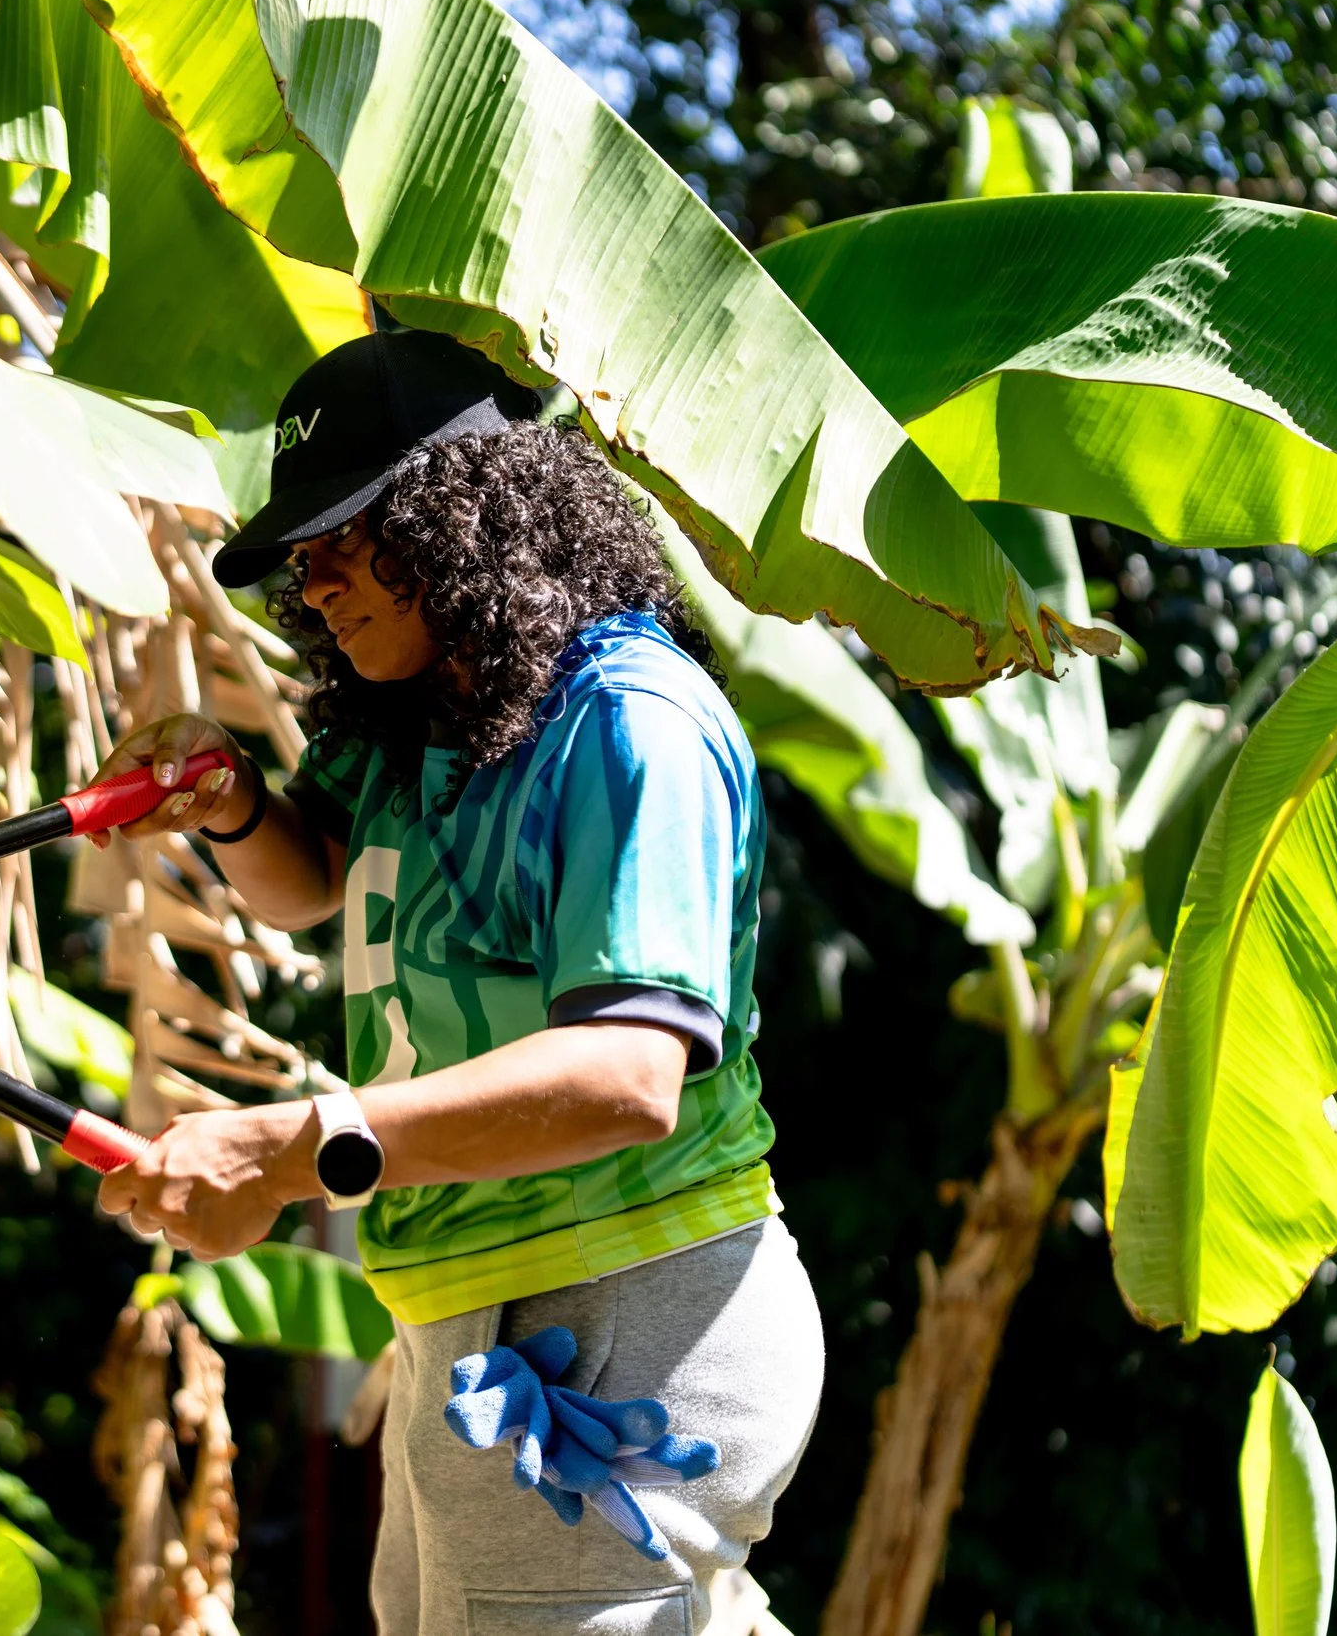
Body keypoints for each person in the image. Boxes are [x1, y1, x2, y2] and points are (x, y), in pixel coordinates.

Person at [87, 331, 823, 1634]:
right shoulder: (412, 719)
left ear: (457, 511)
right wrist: (233, 800)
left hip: (624, 1313)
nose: (312, 586)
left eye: (339, 538)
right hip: (466, 1319)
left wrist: (289, 1147)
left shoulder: (626, 719)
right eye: (297, 555)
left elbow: (627, 1075)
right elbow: (320, 878)